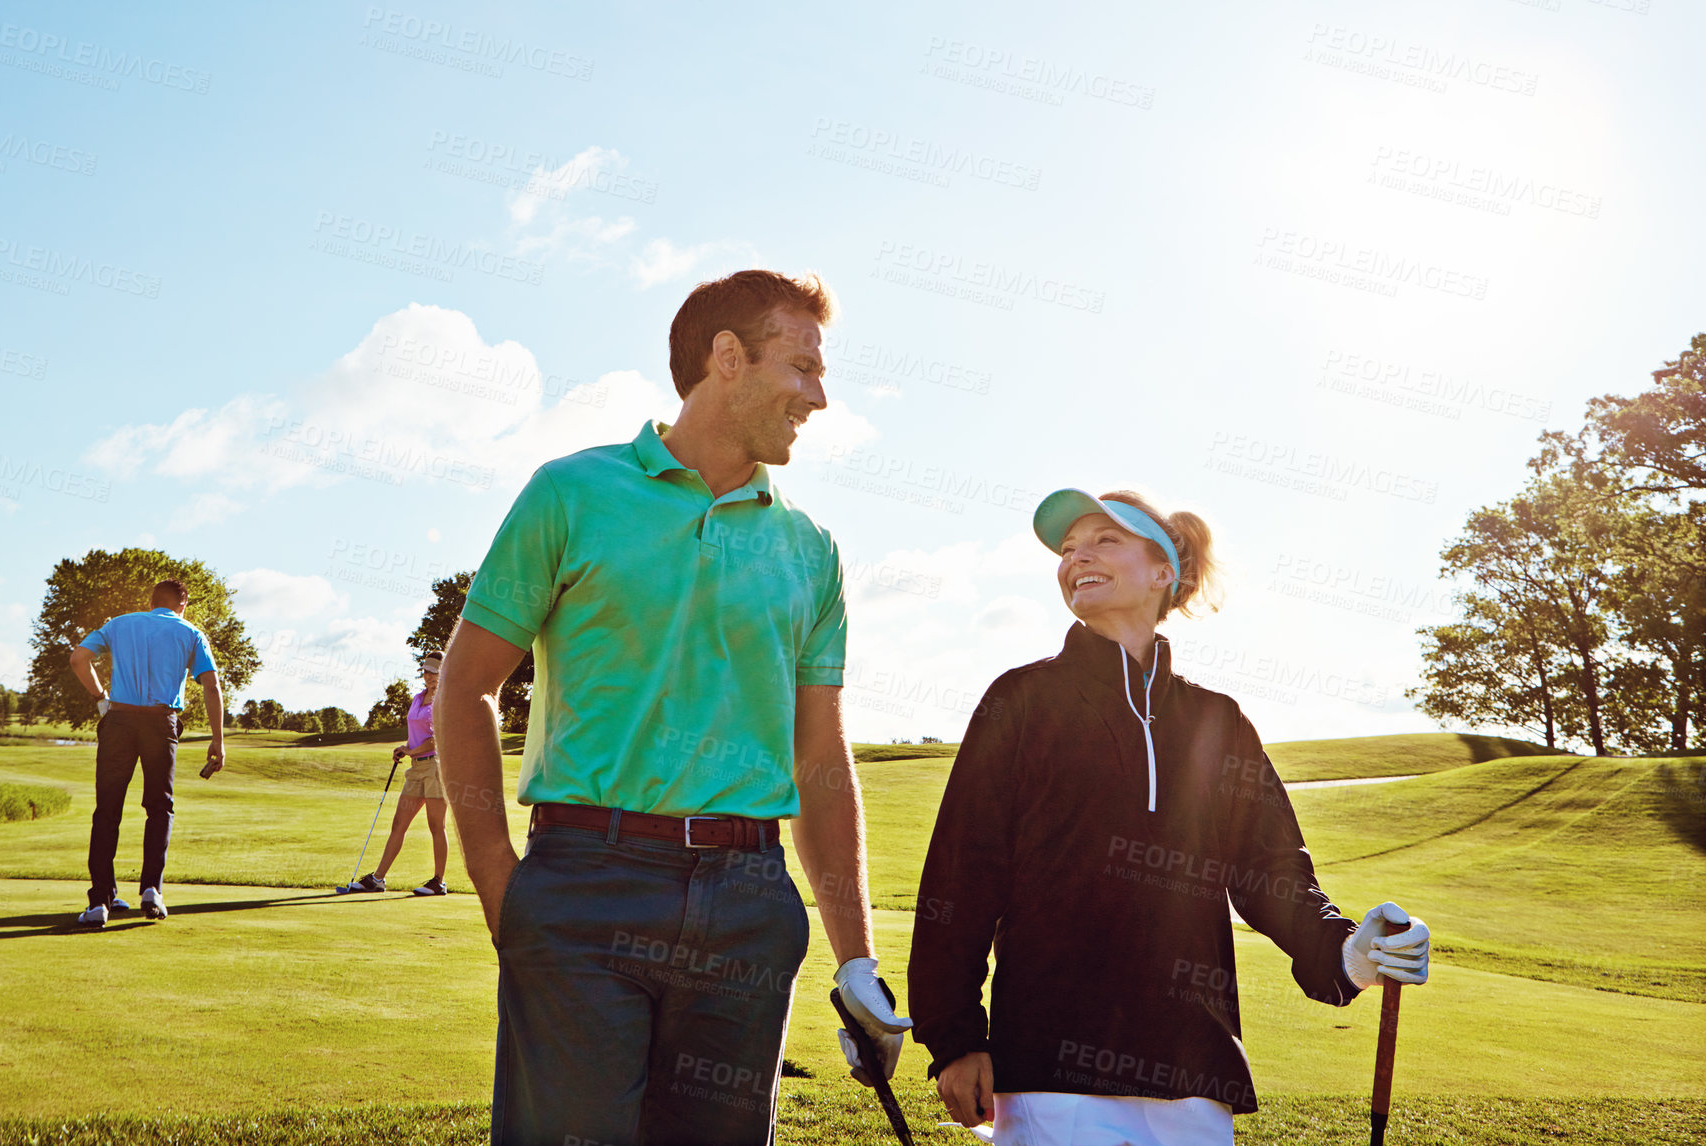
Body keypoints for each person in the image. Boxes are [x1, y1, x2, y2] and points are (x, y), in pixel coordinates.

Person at [436, 269, 909, 1145]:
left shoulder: (811, 550)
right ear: (728, 358)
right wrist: (500, 882)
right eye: (802, 368)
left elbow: (820, 756)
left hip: (749, 899)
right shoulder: (571, 493)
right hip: (584, 881)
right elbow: (465, 686)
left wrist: (856, 958)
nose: (820, 396)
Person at [909, 489, 1431, 1145]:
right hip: (1051, 1075)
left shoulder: (1219, 722)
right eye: (1069, 549)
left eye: (1105, 540)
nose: (1077, 558)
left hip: (1193, 1080)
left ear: (1163, 572)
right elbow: (962, 875)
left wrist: (1353, 953)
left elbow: (1272, 872)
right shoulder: (1020, 700)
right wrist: (954, 1036)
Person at [68, 579, 224, 928]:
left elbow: (79, 659)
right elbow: (211, 684)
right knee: (159, 806)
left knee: (107, 810)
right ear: (183, 603)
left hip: (118, 720)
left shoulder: (119, 623)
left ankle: (99, 903)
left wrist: (100, 699)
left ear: (151, 601)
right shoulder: (191, 633)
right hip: (160, 723)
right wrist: (217, 739)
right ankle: (151, 890)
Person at [340, 653, 451, 896]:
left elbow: (436, 739)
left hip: (435, 768)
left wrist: (409, 749)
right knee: (398, 824)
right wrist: (406, 749)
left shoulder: (445, 701)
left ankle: (439, 881)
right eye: (427, 671)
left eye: (434, 671)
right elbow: (418, 735)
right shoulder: (417, 699)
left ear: (444, 671)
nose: (429, 676)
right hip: (416, 769)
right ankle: (378, 878)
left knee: (436, 826)